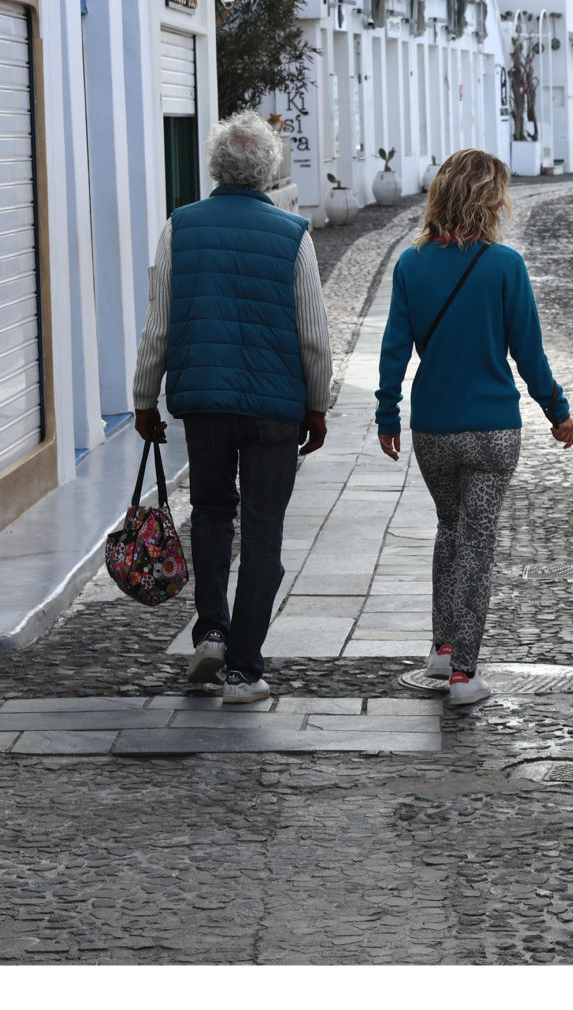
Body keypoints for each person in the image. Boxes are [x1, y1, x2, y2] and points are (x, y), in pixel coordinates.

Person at [132, 112, 331, 703]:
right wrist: (317, 405)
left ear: (216, 166)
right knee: (264, 527)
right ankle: (245, 669)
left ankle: (212, 632)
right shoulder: (293, 234)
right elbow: (313, 334)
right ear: (268, 169)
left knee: (212, 513)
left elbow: (159, 323)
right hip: (274, 409)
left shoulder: (180, 227)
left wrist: (143, 397)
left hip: (206, 406)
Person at [375, 149, 573, 708]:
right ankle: (464, 673)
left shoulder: (411, 264)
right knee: (477, 543)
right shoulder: (505, 266)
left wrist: (387, 413)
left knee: (449, 530)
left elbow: (394, 350)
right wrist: (557, 412)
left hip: (432, 427)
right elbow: (529, 353)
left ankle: (442, 649)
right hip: (491, 430)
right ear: (490, 200)